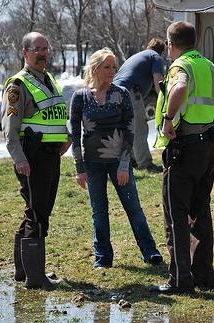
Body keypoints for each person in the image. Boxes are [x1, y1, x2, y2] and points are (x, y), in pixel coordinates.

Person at [69, 48, 163, 269]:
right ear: (95, 69)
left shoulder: (121, 94)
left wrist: (124, 164)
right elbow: (75, 134)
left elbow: (129, 131)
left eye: (114, 66)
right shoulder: (80, 97)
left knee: (134, 208)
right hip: (92, 164)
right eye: (107, 67)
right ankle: (102, 258)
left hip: (118, 162)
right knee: (98, 212)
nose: (112, 71)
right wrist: (79, 168)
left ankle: (150, 252)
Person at [150, 21, 214, 294]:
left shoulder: (180, 66)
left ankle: (180, 279)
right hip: (207, 147)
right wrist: (211, 127)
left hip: (183, 149)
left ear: (170, 44)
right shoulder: (209, 67)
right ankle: (204, 275)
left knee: (176, 214)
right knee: (201, 211)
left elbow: (179, 89)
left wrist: (168, 120)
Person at [1, 31, 71, 290]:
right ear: (25, 53)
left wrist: (67, 137)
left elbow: (53, 115)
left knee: (37, 211)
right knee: (38, 215)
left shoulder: (48, 79)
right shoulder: (18, 86)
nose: (43, 53)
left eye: (45, 48)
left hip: (51, 156)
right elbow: (10, 129)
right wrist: (19, 159)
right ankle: (35, 277)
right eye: (37, 49)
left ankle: (24, 271)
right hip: (32, 158)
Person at [113, 38, 165, 171]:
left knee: (125, 128)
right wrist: (164, 101)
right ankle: (145, 163)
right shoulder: (155, 57)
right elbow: (158, 81)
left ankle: (131, 160)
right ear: (161, 51)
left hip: (114, 91)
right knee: (139, 128)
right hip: (130, 91)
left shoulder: (138, 55)